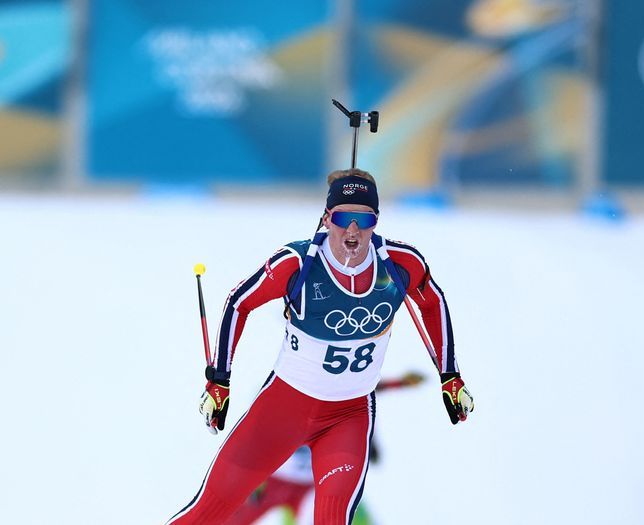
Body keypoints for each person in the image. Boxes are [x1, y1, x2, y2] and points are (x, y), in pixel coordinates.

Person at [166, 169, 474, 525]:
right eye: (343, 218)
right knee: (207, 514)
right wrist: (219, 380)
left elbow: (432, 302)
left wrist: (450, 376)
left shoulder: (401, 264)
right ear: (327, 218)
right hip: (283, 409)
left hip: (348, 417)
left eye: (364, 219)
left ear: (376, 221)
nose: (353, 230)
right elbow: (239, 302)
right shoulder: (299, 263)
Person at [223, 372, 425, 525]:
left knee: (341, 513)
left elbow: (365, 392)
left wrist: (400, 384)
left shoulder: (336, 397)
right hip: (274, 481)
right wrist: (254, 478)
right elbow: (256, 435)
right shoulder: (284, 396)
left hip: (313, 484)